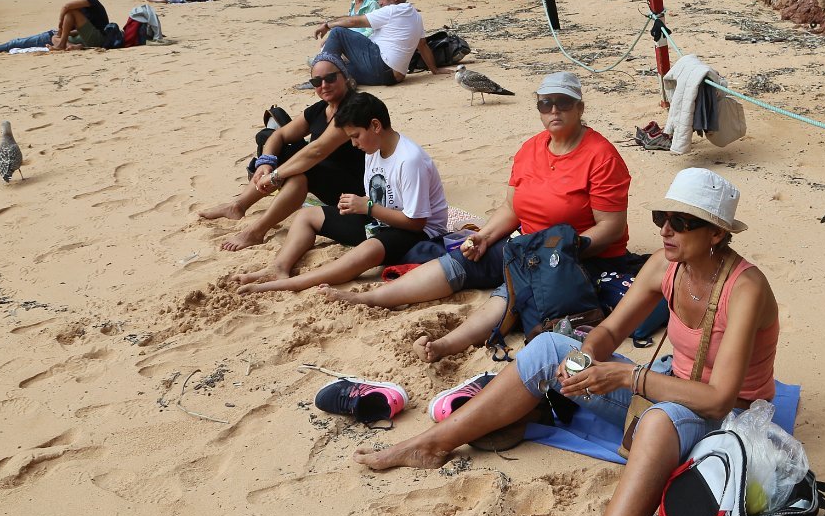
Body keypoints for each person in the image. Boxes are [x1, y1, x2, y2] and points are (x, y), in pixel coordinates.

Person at [355, 168, 779, 516]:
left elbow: (720, 398)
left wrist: (627, 377)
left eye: (681, 222)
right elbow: (610, 331)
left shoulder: (745, 288)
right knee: (549, 347)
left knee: (659, 423)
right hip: (668, 386)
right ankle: (433, 443)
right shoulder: (666, 266)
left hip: (728, 419)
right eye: (662, 217)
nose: (665, 230)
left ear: (717, 234)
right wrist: (583, 360)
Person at [326, 72, 631, 362]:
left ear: (579, 108)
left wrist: (562, 249)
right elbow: (512, 208)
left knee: (515, 287)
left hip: (576, 252)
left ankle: (446, 344)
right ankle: (374, 298)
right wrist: (484, 236)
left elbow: (611, 227)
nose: (554, 110)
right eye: (545, 103)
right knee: (464, 257)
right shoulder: (531, 148)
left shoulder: (600, 156)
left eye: (563, 102)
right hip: (526, 243)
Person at [236, 91, 449, 293]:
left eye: (356, 136)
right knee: (307, 216)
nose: (354, 144)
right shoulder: (373, 150)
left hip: (420, 233)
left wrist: (368, 207)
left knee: (368, 251)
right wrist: (360, 206)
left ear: (375, 125)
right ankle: (279, 268)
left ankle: (291, 284)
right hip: (381, 221)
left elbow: (416, 222)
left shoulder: (410, 160)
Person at [199, 54, 366, 251]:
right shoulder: (320, 109)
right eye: (316, 81)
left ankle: (256, 231)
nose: (324, 85)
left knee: (304, 169)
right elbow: (279, 135)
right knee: (269, 139)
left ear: (345, 77)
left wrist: (275, 176)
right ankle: (238, 206)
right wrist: (266, 163)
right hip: (325, 174)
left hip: (354, 187)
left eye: (330, 78)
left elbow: (317, 151)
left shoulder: (353, 108)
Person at [312, 0, 446, 86]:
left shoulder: (392, 10)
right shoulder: (416, 15)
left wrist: (327, 25)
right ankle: (340, 78)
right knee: (342, 68)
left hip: (381, 65)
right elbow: (422, 45)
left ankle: (320, 76)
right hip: (394, 77)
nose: (380, 3)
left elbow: (354, 22)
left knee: (338, 32)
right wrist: (434, 70)